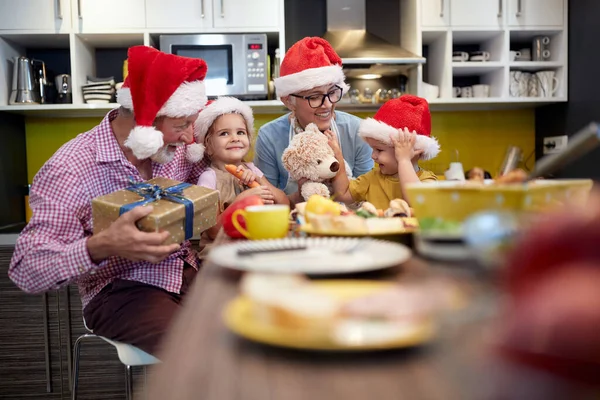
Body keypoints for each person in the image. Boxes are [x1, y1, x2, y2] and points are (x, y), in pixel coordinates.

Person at [8, 45, 210, 356]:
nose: (188, 138)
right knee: (199, 355)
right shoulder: (71, 167)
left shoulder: (177, 147)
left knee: (256, 335)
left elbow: (212, 178)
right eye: (182, 126)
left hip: (189, 274)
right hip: (121, 290)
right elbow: (26, 269)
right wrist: (103, 245)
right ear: (146, 121)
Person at [254, 36, 374, 205]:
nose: (327, 104)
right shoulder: (269, 136)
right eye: (315, 97)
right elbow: (266, 203)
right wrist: (300, 195)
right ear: (289, 101)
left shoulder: (357, 130)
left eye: (332, 92)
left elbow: (369, 194)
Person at [191, 97, 289, 242]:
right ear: (208, 145)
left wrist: (259, 181)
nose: (235, 138)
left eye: (241, 132)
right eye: (224, 133)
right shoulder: (208, 178)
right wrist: (241, 201)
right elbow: (213, 231)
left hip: (253, 247)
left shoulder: (252, 169)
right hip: (222, 254)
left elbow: (284, 205)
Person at [329, 95, 440, 210]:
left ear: (415, 152)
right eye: (373, 149)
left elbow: (416, 203)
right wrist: (338, 154)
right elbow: (343, 194)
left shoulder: (427, 181)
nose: (373, 156)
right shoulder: (372, 178)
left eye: (379, 150)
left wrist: (404, 160)